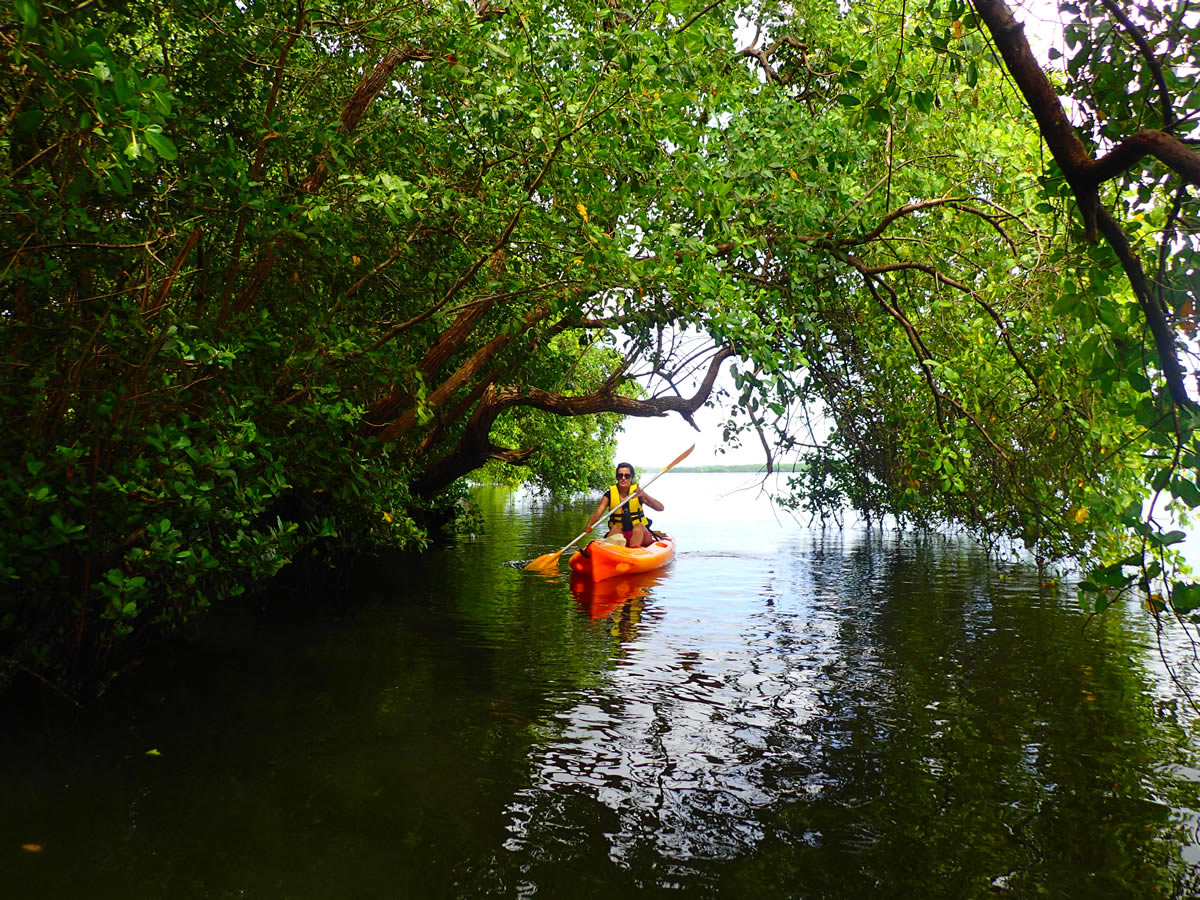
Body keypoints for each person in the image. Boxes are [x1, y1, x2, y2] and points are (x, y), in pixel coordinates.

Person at [585, 462, 665, 548]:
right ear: (617, 477)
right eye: (620, 475)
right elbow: (599, 511)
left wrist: (644, 495)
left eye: (627, 476)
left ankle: (634, 549)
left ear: (631, 477)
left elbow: (660, 508)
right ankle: (608, 551)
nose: (623, 478)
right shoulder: (609, 495)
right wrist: (589, 525)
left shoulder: (638, 493)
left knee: (639, 527)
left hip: (640, 535)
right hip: (621, 535)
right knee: (615, 528)